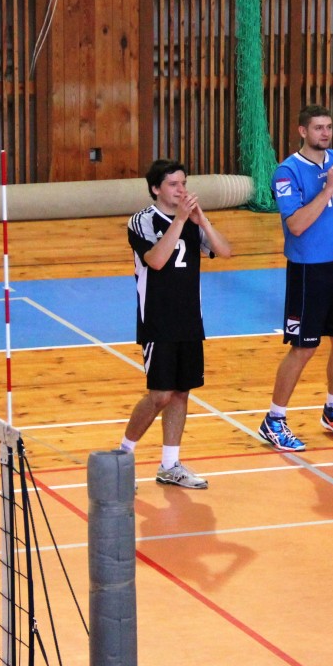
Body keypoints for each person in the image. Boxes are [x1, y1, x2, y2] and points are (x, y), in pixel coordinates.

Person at [260, 104, 333, 452]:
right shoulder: (287, 172)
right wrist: (328, 189)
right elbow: (296, 225)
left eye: (329, 127)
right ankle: (274, 419)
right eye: (318, 128)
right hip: (308, 270)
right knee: (304, 347)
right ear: (303, 131)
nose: (325, 133)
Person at [120, 159, 232, 488]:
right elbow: (156, 260)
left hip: (190, 320)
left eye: (183, 183)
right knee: (160, 395)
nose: (181, 189)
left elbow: (225, 251)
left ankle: (170, 465)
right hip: (158, 321)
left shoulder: (192, 219)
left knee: (181, 393)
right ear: (156, 188)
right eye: (173, 184)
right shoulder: (142, 220)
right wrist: (180, 220)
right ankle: (122, 458)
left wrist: (202, 220)